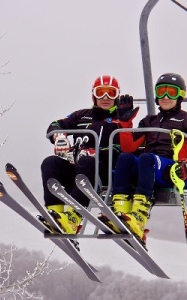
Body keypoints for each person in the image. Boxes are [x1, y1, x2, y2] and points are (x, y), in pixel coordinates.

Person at [41, 75, 139, 234]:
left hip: (103, 172)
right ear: (94, 95)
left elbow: (125, 148)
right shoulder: (81, 115)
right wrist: (59, 136)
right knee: (50, 163)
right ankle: (55, 214)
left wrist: (95, 152)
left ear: (117, 96)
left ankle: (73, 218)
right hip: (77, 166)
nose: (105, 98)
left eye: (111, 93)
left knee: (87, 162)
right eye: (101, 93)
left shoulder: (121, 120)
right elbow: (55, 125)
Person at [108, 73, 187, 244]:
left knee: (146, 159)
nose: (165, 97)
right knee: (125, 158)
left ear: (180, 95)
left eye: (171, 92)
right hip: (149, 166)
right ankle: (121, 212)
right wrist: (125, 123)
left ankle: (139, 217)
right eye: (161, 91)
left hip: (171, 169)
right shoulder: (149, 121)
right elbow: (129, 147)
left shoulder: (184, 119)